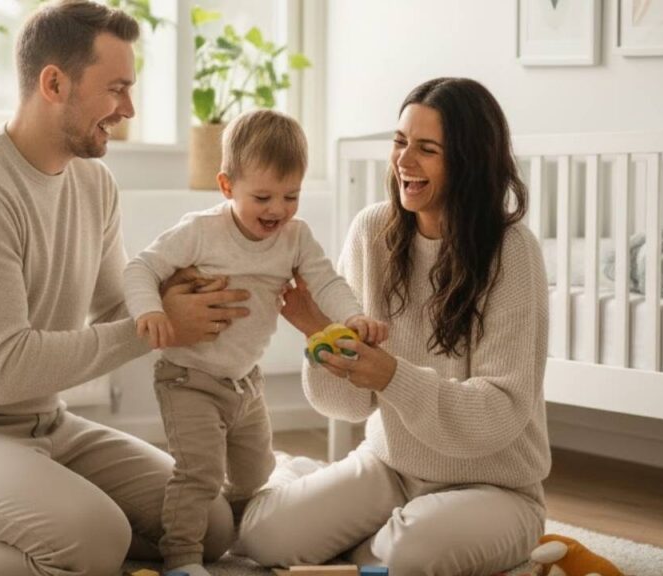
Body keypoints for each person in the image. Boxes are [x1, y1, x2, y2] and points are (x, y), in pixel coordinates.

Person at [0, 2, 251, 576]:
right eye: (116, 89)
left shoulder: (93, 180)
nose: (129, 108)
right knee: (95, 539)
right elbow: (8, 371)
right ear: (53, 83)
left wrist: (179, 296)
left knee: (204, 523)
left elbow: (115, 303)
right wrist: (156, 327)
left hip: (43, 425)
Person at [233, 77, 552, 575]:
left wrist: (390, 376)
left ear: (468, 161)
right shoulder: (372, 232)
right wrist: (320, 334)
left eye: (427, 149)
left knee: (410, 554)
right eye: (400, 142)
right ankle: (375, 540)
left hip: (494, 486)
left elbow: (499, 412)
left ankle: (390, 545)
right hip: (391, 467)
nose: (404, 161)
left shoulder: (512, 251)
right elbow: (346, 404)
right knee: (261, 537)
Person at [123, 109, 389, 576]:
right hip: (189, 378)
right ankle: (182, 558)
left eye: (292, 196)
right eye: (262, 196)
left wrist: (353, 315)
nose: (277, 210)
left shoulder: (295, 236)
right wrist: (150, 310)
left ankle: (240, 541)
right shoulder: (201, 231)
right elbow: (141, 267)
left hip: (245, 381)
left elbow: (326, 281)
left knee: (255, 473)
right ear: (227, 187)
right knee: (198, 472)